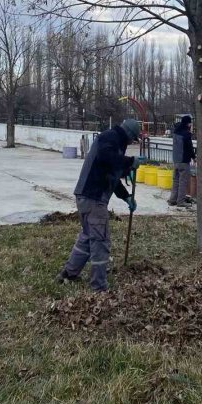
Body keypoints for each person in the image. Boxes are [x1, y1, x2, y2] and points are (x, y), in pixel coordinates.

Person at [56, 118, 141, 291]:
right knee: (100, 241)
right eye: (134, 139)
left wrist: (126, 197)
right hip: (94, 198)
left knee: (88, 237)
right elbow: (106, 158)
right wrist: (130, 162)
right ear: (130, 134)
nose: (132, 142)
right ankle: (98, 287)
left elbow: (112, 175)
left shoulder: (114, 143)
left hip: (86, 196)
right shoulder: (110, 137)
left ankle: (68, 273)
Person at [169, 115, 195, 206]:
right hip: (184, 161)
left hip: (176, 160)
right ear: (188, 123)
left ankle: (172, 199)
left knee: (175, 180)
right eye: (190, 123)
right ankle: (180, 201)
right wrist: (194, 157)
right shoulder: (186, 134)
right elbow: (189, 148)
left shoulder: (176, 132)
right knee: (183, 181)